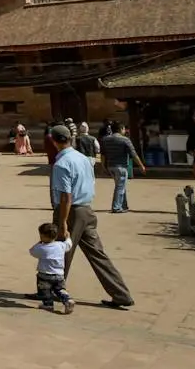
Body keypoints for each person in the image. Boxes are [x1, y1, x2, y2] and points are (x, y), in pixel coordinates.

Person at [48, 124, 133, 309]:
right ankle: (121, 293)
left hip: (71, 211)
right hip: (87, 209)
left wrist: (62, 221)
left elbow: (65, 196)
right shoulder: (82, 158)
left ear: (53, 141)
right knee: (97, 254)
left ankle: (51, 290)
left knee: (59, 252)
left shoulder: (62, 163)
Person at [98, 122, 146, 213]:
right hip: (121, 166)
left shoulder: (105, 140)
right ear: (121, 129)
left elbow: (103, 154)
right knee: (120, 187)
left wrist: (103, 166)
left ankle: (124, 205)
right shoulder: (125, 140)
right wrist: (141, 166)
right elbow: (134, 154)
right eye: (124, 129)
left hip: (110, 166)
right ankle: (116, 207)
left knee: (121, 186)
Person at [30, 221, 75, 314]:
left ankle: (48, 304)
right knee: (59, 289)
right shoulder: (61, 245)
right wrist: (68, 237)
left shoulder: (42, 248)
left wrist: (39, 243)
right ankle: (67, 299)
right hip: (59, 274)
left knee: (45, 291)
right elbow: (69, 245)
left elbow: (32, 251)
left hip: (44, 275)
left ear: (42, 236)